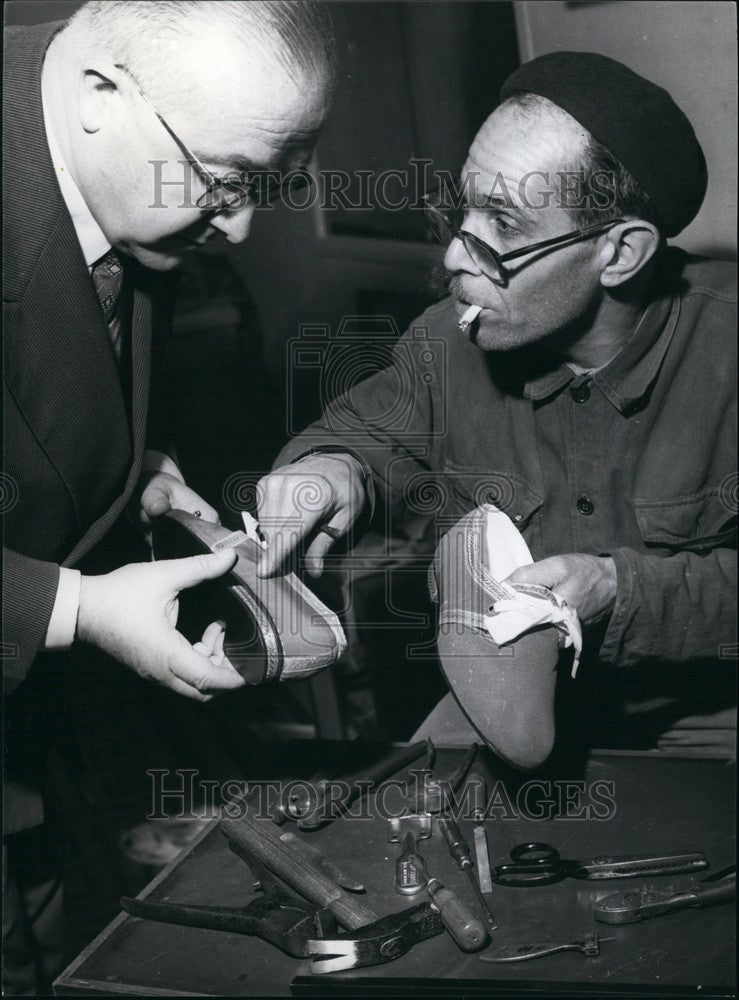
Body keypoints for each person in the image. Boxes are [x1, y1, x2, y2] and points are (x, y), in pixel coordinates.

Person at [254, 52, 736, 752]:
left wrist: (616, 592)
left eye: (501, 226)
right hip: (526, 706)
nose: (455, 256)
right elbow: (363, 436)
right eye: (462, 211)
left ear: (621, 253)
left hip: (709, 710)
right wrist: (330, 473)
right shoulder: (446, 341)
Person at [3, 1, 334, 991]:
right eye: (225, 181)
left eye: (265, 185)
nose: (236, 225)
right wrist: (81, 607)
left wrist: (135, 472)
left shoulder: (120, 162)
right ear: (102, 91)